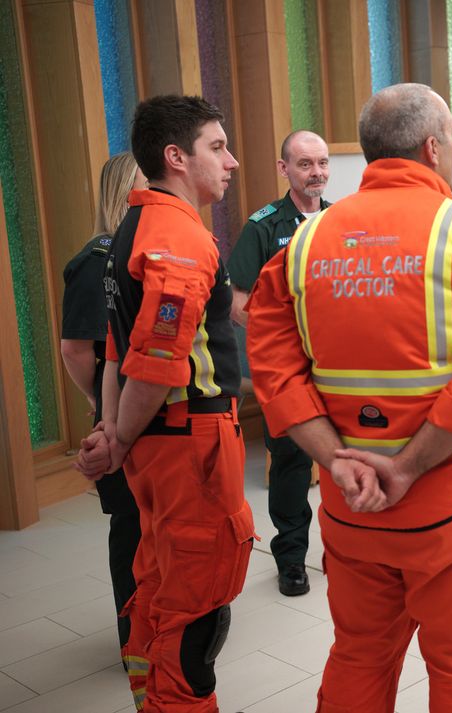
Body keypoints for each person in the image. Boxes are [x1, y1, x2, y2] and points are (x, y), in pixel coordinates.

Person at [245, 83, 452, 712]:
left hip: (352, 508)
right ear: (434, 146)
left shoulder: (302, 244)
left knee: (359, 656)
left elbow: (274, 374)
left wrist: (338, 460)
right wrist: (404, 467)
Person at [75, 94, 252, 713]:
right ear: (176, 157)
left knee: (156, 585)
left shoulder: (135, 226)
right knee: (197, 608)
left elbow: (119, 351)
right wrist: (118, 438)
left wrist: (113, 429)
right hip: (188, 445)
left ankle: (152, 701)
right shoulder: (177, 236)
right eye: (217, 146)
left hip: (161, 442)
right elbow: (154, 359)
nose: (230, 160)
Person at [228, 129, 331, 597]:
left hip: (337, 368)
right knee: (289, 463)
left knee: (340, 458)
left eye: (322, 163)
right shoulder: (263, 226)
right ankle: (291, 559)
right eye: (306, 164)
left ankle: (344, 550)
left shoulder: (343, 220)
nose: (316, 173)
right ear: (284, 168)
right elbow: (238, 302)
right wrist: (289, 341)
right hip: (288, 368)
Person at [60, 151, 145, 660]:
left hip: (147, 415)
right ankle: (134, 638)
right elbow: (76, 348)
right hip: (119, 416)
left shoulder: (139, 251)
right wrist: (102, 404)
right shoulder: (98, 260)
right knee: (132, 530)